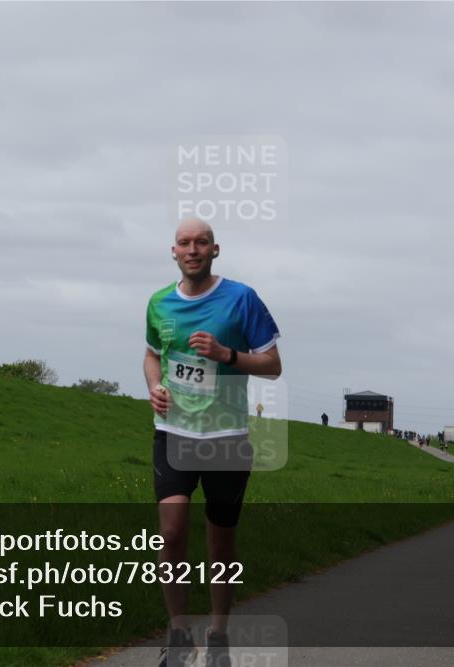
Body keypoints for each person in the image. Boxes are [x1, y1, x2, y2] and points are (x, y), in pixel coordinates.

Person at [145, 218, 282, 667]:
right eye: (184, 243)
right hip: (174, 433)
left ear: (215, 250)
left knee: (221, 543)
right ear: (174, 251)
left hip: (225, 437)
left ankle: (218, 635)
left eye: (201, 242)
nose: (193, 249)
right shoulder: (159, 303)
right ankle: (179, 635)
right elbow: (152, 355)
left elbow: (273, 364)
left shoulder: (241, 299)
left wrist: (228, 356)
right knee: (171, 530)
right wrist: (154, 386)